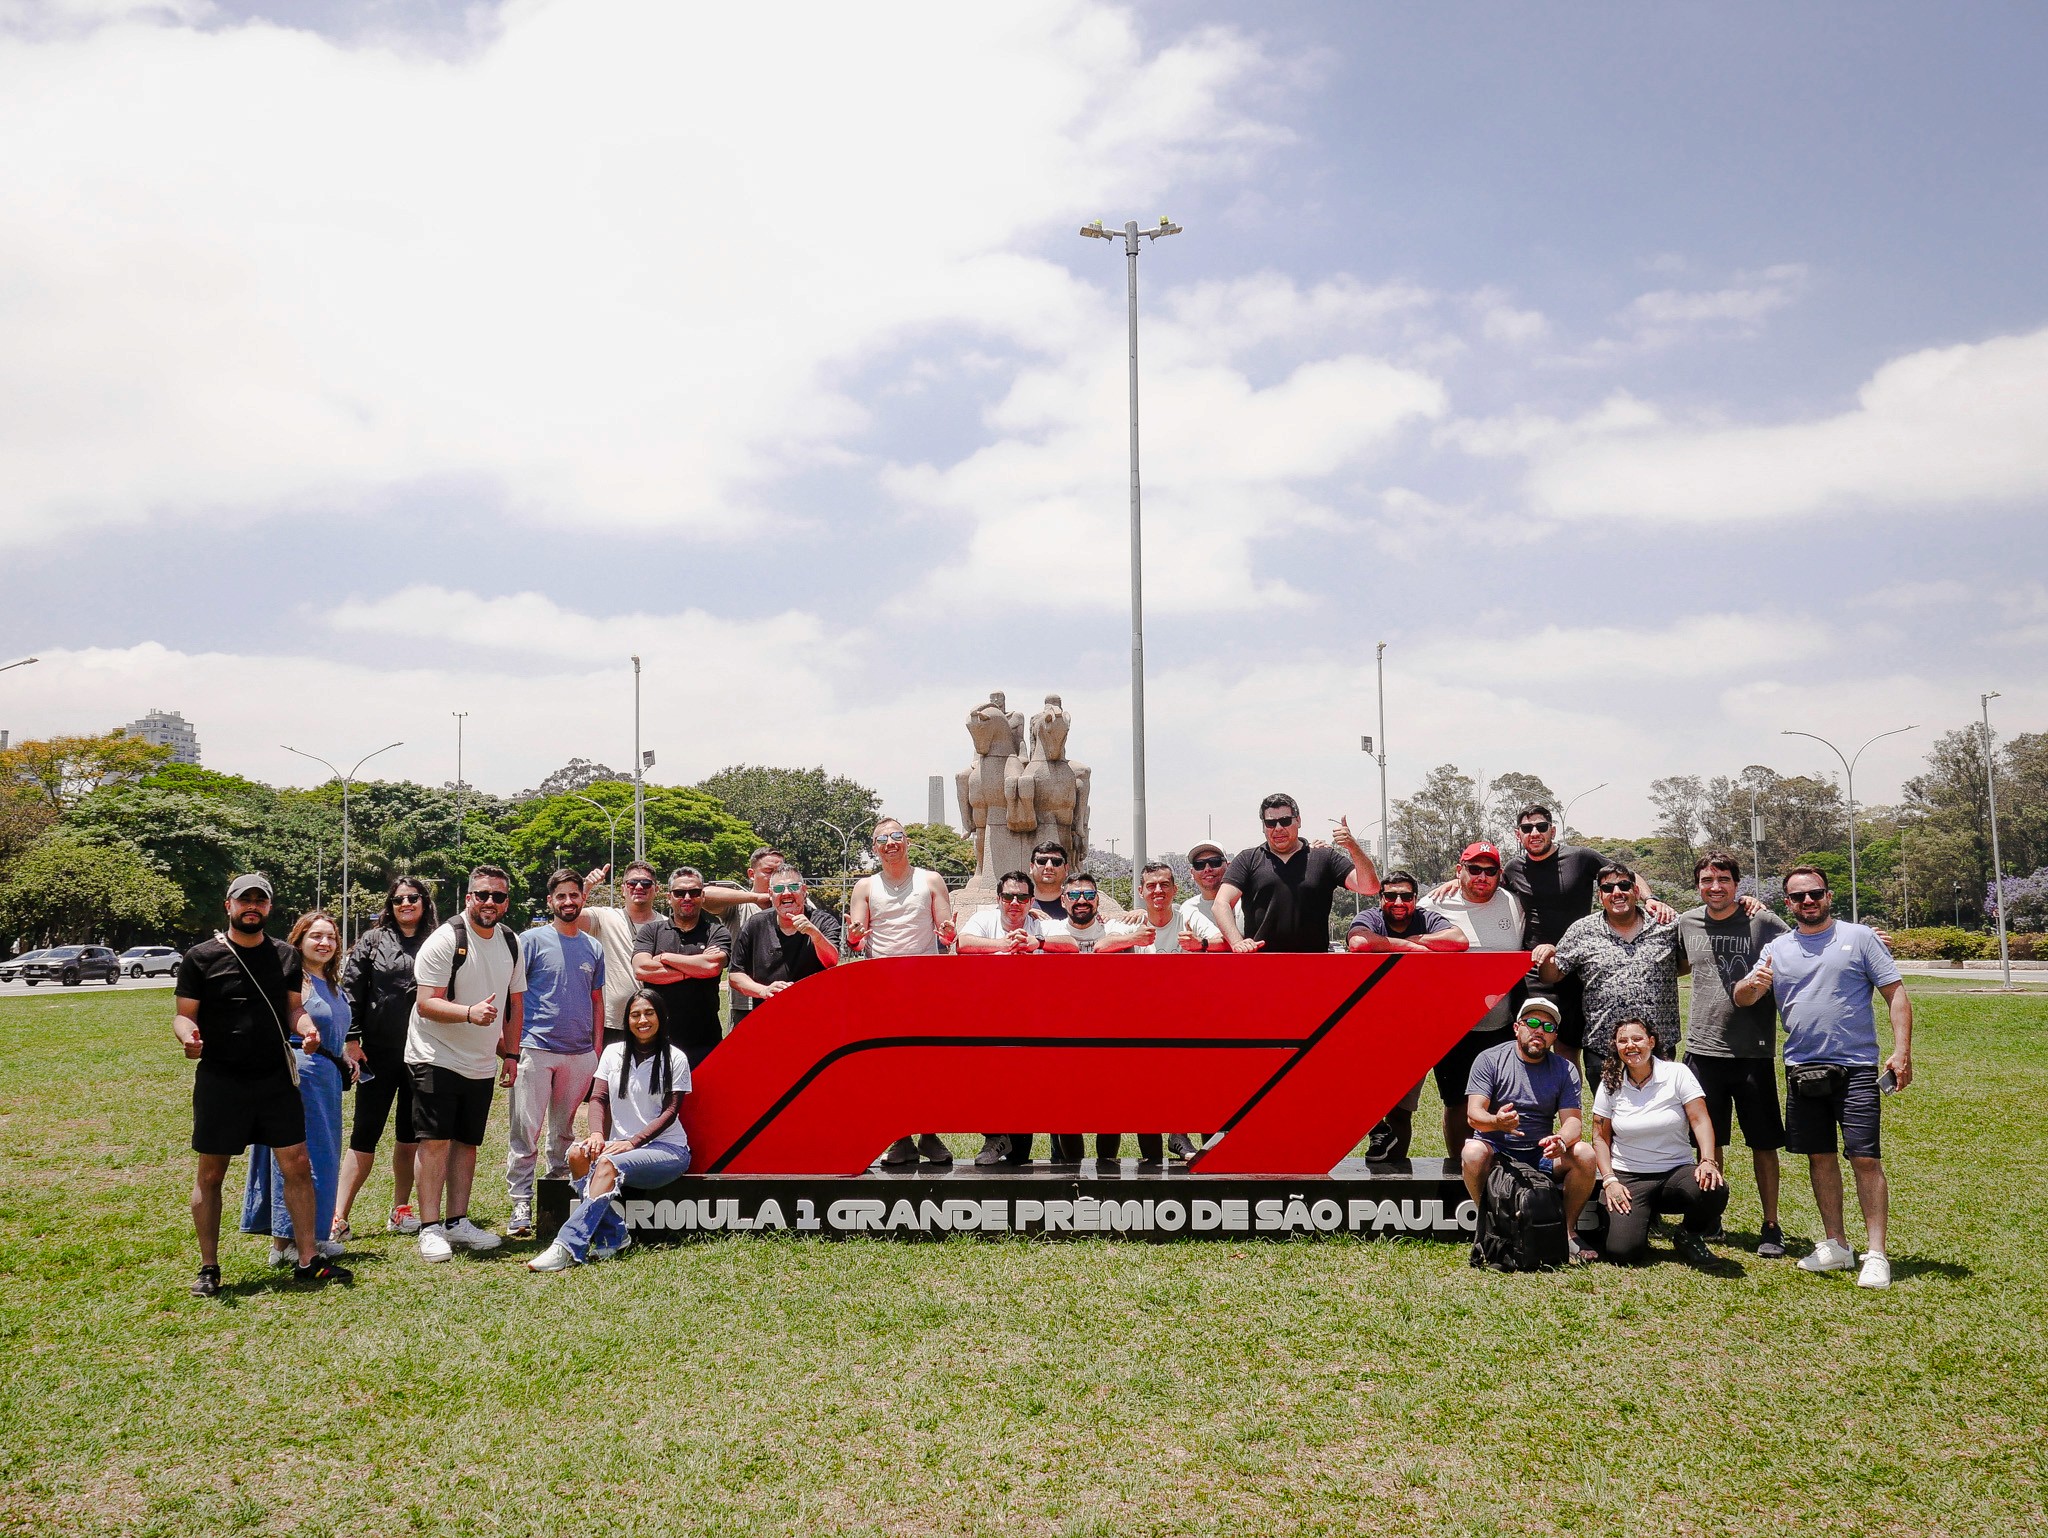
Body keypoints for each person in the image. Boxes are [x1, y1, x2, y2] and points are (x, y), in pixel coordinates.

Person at [1734, 866, 1912, 1290]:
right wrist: (1751, 983)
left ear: (1828, 895)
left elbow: (1896, 993)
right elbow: (1743, 997)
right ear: (1788, 904)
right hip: (1803, 1068)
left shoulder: (1860, 938)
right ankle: (1837, 1244)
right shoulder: (1778, 948)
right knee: (1820, 1157)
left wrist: (1902, 1051)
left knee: (1865, 1158)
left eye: (1814, 893)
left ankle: (1876, 1254)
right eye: (1798, 897)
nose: (1807, 901)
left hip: (1856, 1067)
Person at [175, 874, 349, 1295]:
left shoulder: (286, 957)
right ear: (228, 905)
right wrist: (187, 1036)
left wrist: (306, 1028)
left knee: (297, 1164)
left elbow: (293, 1010)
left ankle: (306, 1257)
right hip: (222, 1078)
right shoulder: (200, 958)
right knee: (211, 1173)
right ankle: (209, 1267)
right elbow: (184, 1014)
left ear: (269, 908)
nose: (252, 906)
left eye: (260, 900)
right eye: (244, 899)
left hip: (275, 1078)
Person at [406, 865, 527, 1262]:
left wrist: (510, 1053)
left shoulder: (510, 941)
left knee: (467, 1143)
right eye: (482, 894)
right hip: (435, 1053)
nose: (490, 902)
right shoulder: (446, 939)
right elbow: (426, 1003)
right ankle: (429, 1227)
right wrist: (469, 1012)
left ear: (506, 902)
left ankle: (457, 1221)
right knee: (435, 1141)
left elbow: (515, 1003)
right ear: (468, 898)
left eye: (498, 896)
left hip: (479, 1061)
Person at [1677, 850, 1793, 1258]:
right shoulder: (1686, 922)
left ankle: (1771, 1225)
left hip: (1752, 1052)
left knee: (1763, 1142)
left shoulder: (1761, 920)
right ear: (1697, 885)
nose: (1715, 887)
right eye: (1707, 880)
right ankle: (1713, 1217)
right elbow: (1675, 962)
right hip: (1702, 1049)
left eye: (1723, 879)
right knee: (1710, 1143)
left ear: (1736, 884)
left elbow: (1803, 941)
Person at [528, 989, 692, 1271]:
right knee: (578, 1155)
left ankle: (567, 1245)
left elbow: (671, 1112)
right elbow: (598, 1098)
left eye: (649, 1013)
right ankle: (614, 1235)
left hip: (668, 1150)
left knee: (605, 1163)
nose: (643, 1020)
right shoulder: (613, 1053)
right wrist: (596, 1134)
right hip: (619, 1146)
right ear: (627, 1020)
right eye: (635, 1014)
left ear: (661, 1017)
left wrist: (633, 1142)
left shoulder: (675, 1058)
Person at [242, 911, 352, 1267]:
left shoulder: (331, 981)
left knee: (322, 1156)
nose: (325, 943)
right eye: (316, 936)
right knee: (294, 1158)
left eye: (331, 938)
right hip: (298, 1077)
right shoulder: (294, 979)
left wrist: (345, 1057)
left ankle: (312, 1235)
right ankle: (283, 1242)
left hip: (327, 1079)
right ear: (299, 940)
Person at [846, 817, 958, 1168]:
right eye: (883, 839)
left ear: (907, 841)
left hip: (926, 985)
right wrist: (855, 932)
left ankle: (929, 1135)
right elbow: (855, 938)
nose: (891, 843)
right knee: (888, 1065)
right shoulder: (865, 886)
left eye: (896, 836)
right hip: (882, 986)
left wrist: (948, 929)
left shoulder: (930, 880)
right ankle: (900, 1139)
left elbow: (946, 934)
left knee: (927, 1064)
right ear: (875, 847)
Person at [504, 869, 606, 1240]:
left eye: (574, 896)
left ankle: (556, 1194)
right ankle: (521, 1202)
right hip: (536, 1048)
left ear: (583, 899)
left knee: (563, 1132)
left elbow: (598, 1002)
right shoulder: (530, 941)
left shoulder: (593, 947)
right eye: (560, 896)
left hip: (579, 1054)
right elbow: (512, 998)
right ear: (551, 901)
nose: (568, 902)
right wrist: (510, 1050)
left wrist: (596, 1052)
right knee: (526, 1130)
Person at [1461, 996, 1599, 1265]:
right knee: (1473, 1151)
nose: (1539, 1031)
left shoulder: (1565, 1068)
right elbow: (1474, 1115)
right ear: (1517, 1027)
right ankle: (1490, 1226)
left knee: (1584, 1154)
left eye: (1548, 1028)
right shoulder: (1490, 1059)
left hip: (1540, 1154)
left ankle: (1567, 1233)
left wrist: (1561, 1140)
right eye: (1532, 1023)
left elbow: (1573, 1122)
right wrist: (1497, 1122)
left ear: (1554, 1036)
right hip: (1498, 1152)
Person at [334, 878, 435, 1241]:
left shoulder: (438, 940)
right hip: (377, 1053)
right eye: (398, 899)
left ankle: (400, 1210)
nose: (405, 904)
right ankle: (339, 1216)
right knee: (365, 1134)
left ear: (424, 902)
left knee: (409, 1137)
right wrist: (351, 1039)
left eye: (413, 898)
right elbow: (351, 991)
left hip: (424, 1053)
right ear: (390, 905)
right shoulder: (372, 940)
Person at [1346, 870, 1469, 1161]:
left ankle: (1394, 1178)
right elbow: (1359, 943)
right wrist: (1411, 947)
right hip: (1369, 1029)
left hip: (1415, 1030)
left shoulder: (1427, 919)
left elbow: (1459, 941)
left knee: (1401, 1112)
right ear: (1381, 899)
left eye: (1406, 896)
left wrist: (1416, 937)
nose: (1398, 902)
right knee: (1360, 1100)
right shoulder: (1371, 918)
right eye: (1390, 896)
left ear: (1415, 899)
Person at [958, 872, 1077, 1166]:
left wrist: (1036, 942)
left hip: (1034, 1024)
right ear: (998, 899)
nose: (1015, 903)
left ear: (1031, 901)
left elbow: (1071, 944)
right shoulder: (984, 920)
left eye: (1022, 897)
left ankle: (1024, 1156)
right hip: (990, 1021)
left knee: (1027, 1091)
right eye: (1009, 896)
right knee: (990, 1084)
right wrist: (1005, 943)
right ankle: (995, 1138)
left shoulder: (1041, 924)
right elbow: (963, 942)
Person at [1533, 859, 1682, 1088]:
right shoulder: (1582, 930)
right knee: (1607, 1120)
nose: (1616, 892)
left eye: (1623, 886)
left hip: (1658, 1047)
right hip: (1604, 1048)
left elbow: (1694, 955)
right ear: (1599, 896)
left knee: (1662, 1119)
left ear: (1635, 890)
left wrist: (1744, 905)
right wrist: (1548, 955)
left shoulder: (1666, 924)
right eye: (1607, 888)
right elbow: (1552, 976)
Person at [1591, 1016, 1728, 1264]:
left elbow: (1700, 1120)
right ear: (1616, 1046)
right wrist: (1609, 1180)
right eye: (1623, 1041)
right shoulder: (1611, 1082)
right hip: (1629, 1176)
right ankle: (1641, 1220)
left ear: (1651, 1042)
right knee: (1623, 1253)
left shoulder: (1677, 1073)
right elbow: (1599, 1137)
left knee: (1713, 1188)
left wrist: (1707, 1160)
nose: (1630, 1046)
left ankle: (1689, 1234)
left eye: (1637, 1039)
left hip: (1675, 1172)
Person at [1420, 842, 1527, 1156]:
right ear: (1459, 870)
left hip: (1501, 1025)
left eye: (1490, 871)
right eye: (1474, 869)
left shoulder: (1514, 904)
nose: (1482, 876)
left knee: (1501, 1101)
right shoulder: (1433, 904)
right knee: (1456, 1103)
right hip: (1452, 1027)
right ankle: (1457, 1168)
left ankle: (1499, 1168)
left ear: (1499, 875)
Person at [1212, 794, 1381, 954]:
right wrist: (1236, 942)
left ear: (1298, 820)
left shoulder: (1324, 857)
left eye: (1285, 821)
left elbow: (1370, 887)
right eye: (1271, 823)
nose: (1278, 828)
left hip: (1313, 967)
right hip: (1260, 966)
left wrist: (1353, 847)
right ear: (1263, 826)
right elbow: (1221, 903)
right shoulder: (1247, 859)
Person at [632, 867, 732, 1067]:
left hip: (704, 1040)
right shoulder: (652, 931)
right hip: (656, 1038)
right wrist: (694, 969)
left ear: (702, 896)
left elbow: (712, 967)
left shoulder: (717, 931)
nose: (687, 897)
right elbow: (642, 969)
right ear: (669, 897)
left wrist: (665, 957)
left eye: (694, 892)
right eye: (679, 893)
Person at [728, 865, 843, 1013]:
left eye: (793, 887)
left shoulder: (823, 922)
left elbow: (831, 962)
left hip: (815, 1013)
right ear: (770, 894)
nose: (786, 893)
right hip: (768, 1014)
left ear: (804, 890)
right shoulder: (755, 924)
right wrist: (763, 991)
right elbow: (735, 975)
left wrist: (815, 934)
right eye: (778, 889)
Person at [575, 860, 662, 1041]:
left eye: (646, 883)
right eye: (632, 883)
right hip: (612, 1022)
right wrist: (587, 886)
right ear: (623, 889)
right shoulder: (604, 917)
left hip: (655, 1019)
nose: (638, 887)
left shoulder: (667, 925)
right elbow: (569, 917)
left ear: (656, 889)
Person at [1181, 841, 1242, 936]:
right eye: (1199, 865)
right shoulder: (1187, 908)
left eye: (1215, 862)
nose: (1207, 869)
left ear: (1229, 867)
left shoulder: (1245, 902)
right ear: (1192, 873)